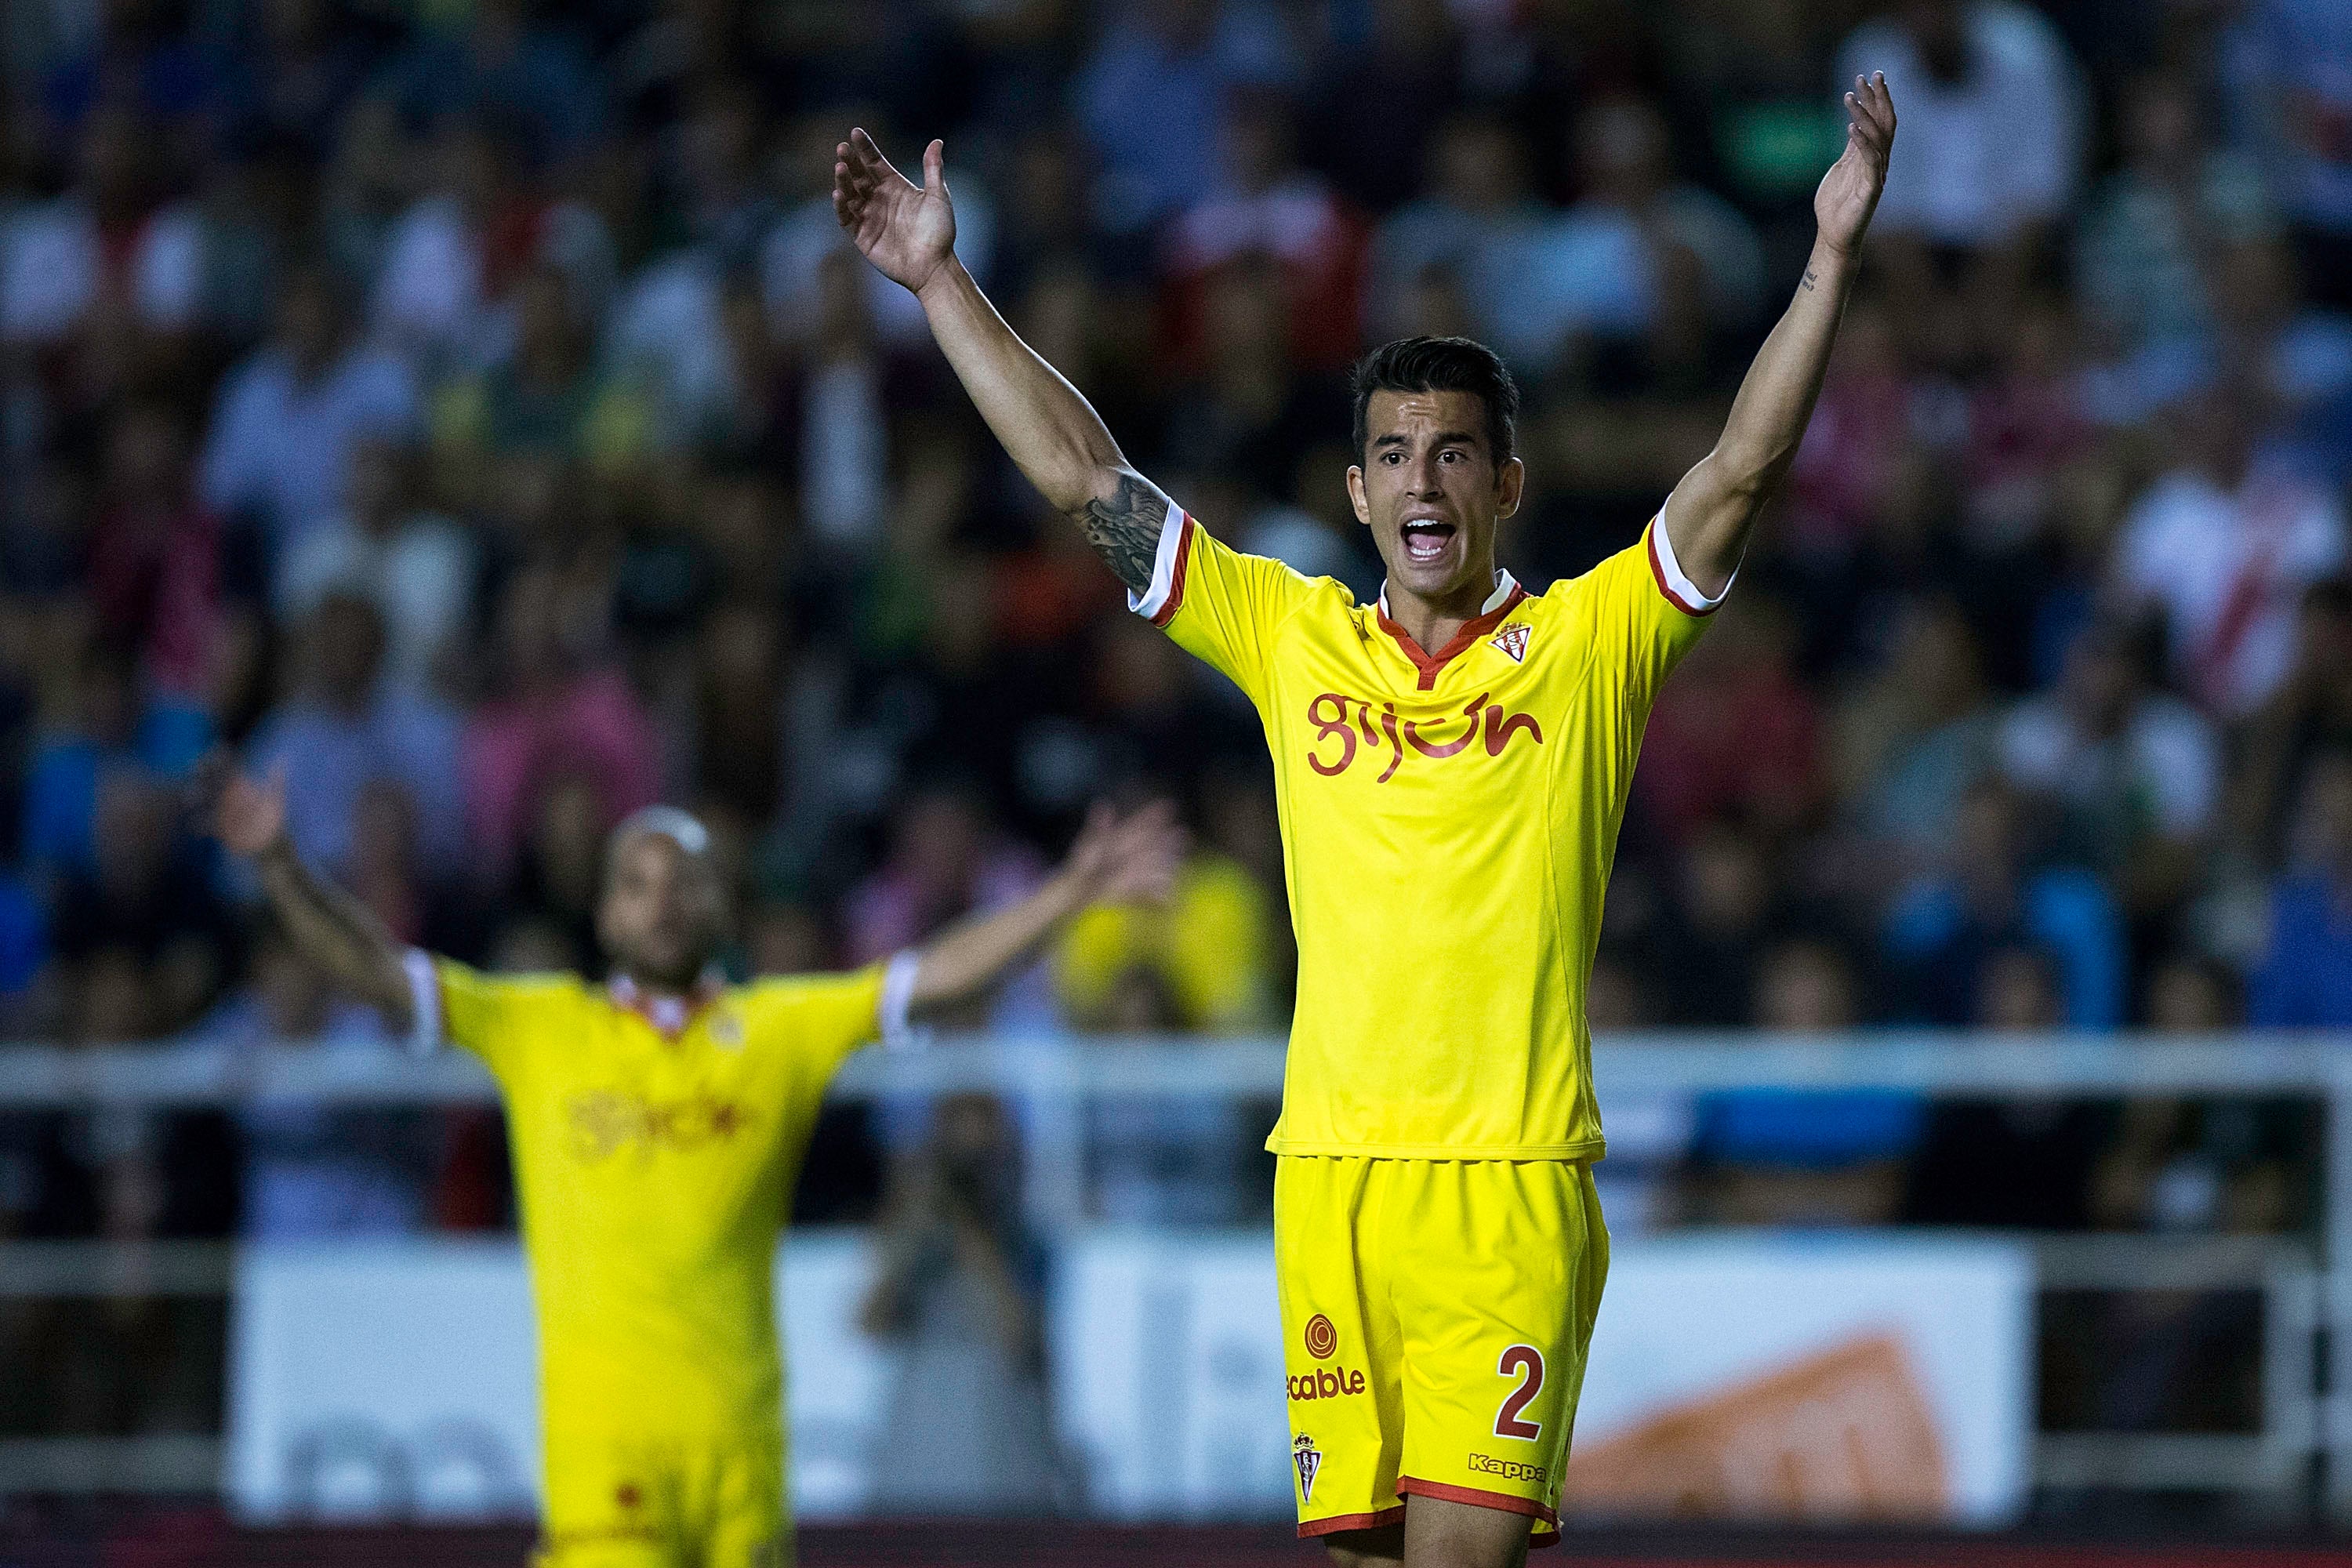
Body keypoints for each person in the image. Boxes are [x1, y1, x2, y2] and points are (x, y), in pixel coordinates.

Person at [836, 69, 1896, 1568]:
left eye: (1455, 452)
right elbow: (1087, 479)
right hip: (1331, 1178)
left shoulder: (1590, 645)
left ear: (1506, 482)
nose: (1423, 480)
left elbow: (1742, 469)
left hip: (1509, 1184)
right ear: (1354, 490)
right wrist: (944, 284)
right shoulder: (1292, 636)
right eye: (1395, 454)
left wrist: (1830, 256)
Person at [209, 764, 1180, 1566]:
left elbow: (936, 977)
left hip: (741, 1459)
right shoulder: (538, 1027)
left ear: (724, 904)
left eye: (684, 880)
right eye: (637, 882)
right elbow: (376, 971)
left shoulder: (778, 1029)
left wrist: (1068, 893)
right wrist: (282, 864)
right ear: (604, 914)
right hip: (605, 1456)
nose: (663, 900)